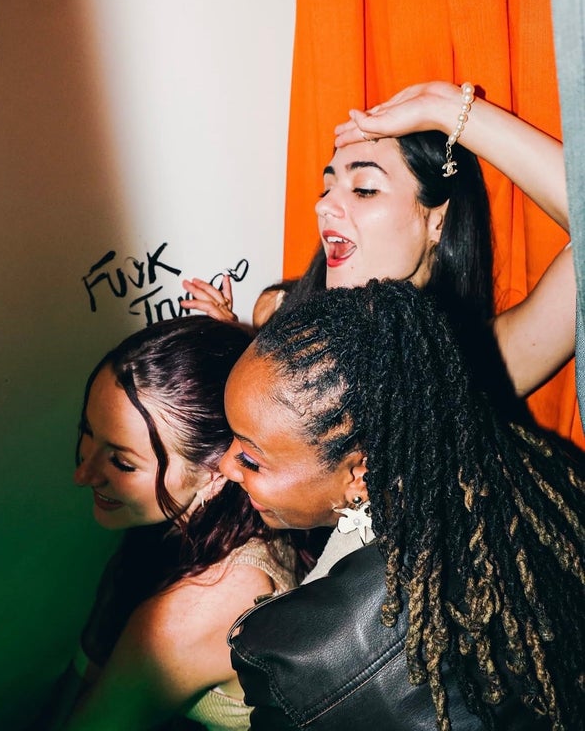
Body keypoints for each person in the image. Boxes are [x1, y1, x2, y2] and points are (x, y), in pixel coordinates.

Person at [219, 279, 585, 731]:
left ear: (360, 474)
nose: (226, 465)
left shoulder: (300, 668)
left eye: (250, 458)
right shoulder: (524, 474)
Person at [184, 81, 575, 403]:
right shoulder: (279, 310)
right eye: (327, 188)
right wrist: (234, 353)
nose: (323, 206)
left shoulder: (482, 361)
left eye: (365, 189)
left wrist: (445, 107)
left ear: (438, 221)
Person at [34, 316, 304, 731]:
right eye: (87, 431)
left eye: (122, 462)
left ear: (214, 473)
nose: (82, 475)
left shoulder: (202, 605)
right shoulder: (230, 517)